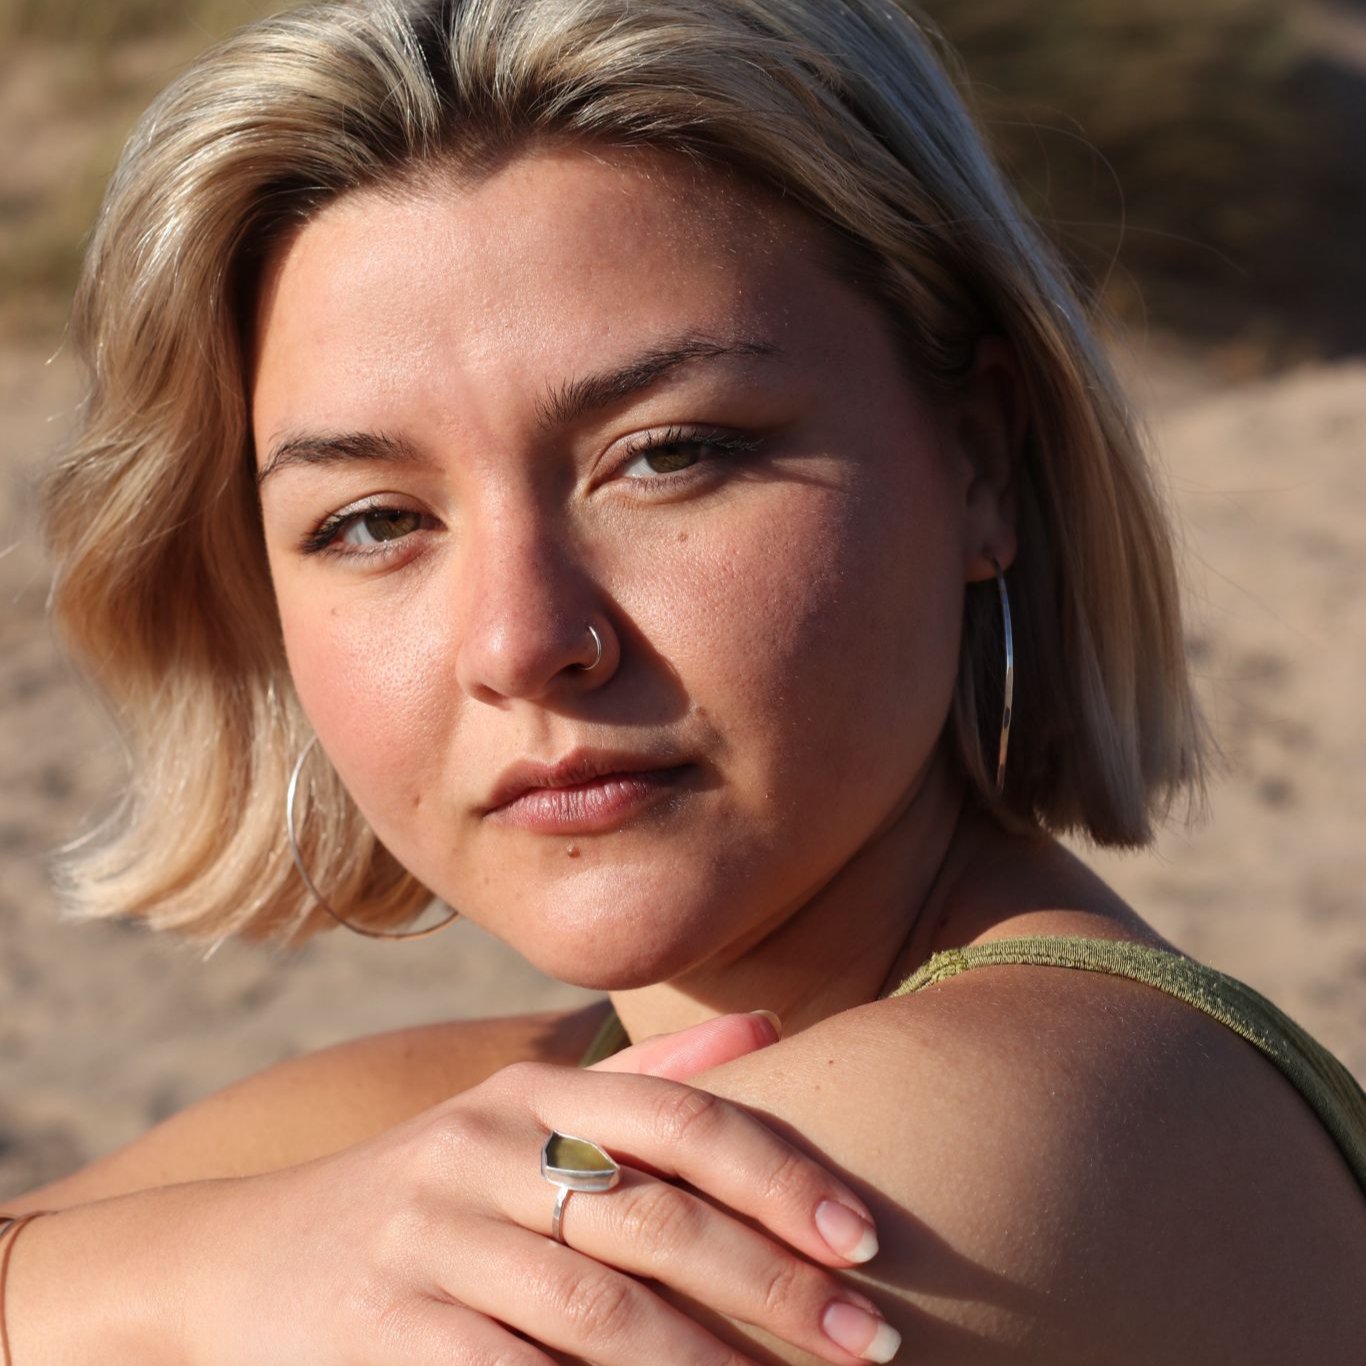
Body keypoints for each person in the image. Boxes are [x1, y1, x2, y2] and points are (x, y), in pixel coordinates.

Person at [1, 0, 1362, 1360]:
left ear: (980, 460)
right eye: (373, 520)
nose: (520, 639)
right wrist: (221, 1257)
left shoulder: (1024, 1137)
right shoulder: (471, 1109)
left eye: (669, 453)